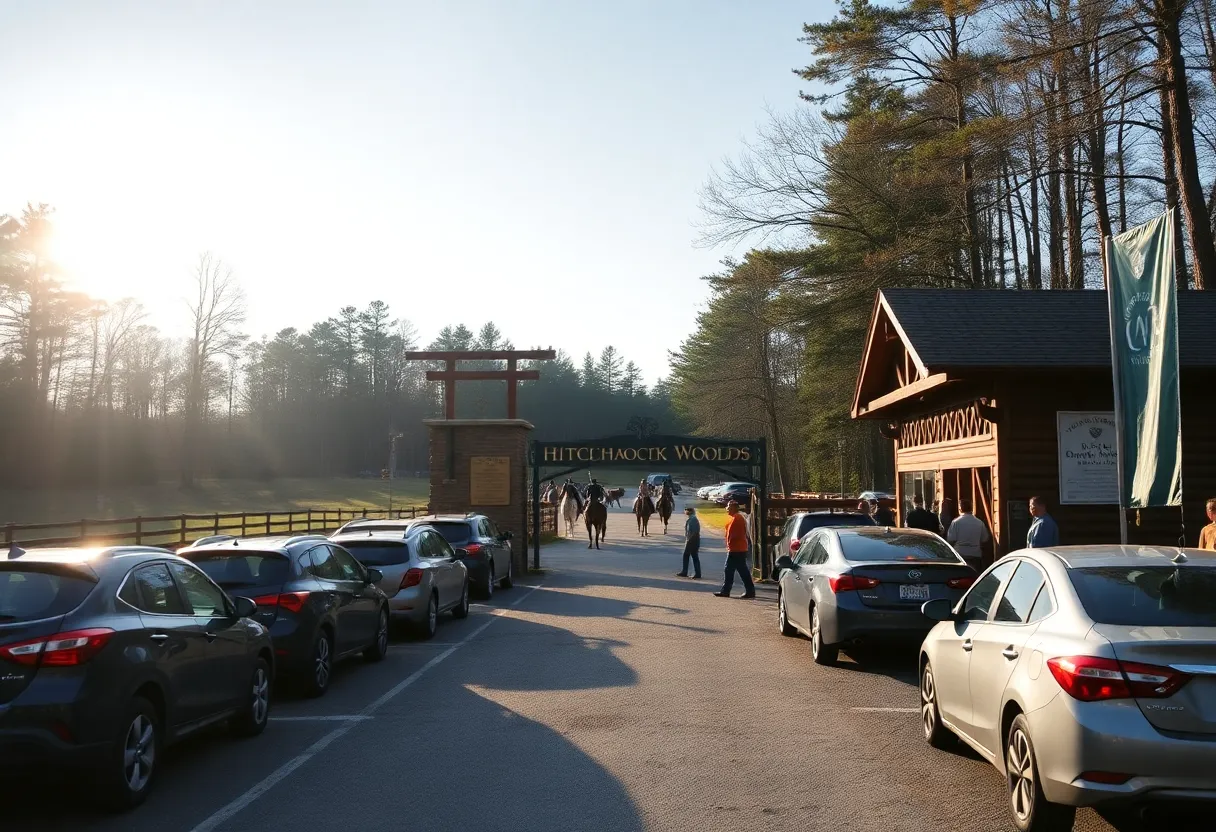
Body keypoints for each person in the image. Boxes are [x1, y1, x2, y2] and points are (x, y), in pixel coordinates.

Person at [714, 500, 755, 598]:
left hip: (736, 549)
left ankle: (726, 591)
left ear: (733, 508)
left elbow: (735, 535)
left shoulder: (737, 518)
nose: (726, 509)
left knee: (729, 570)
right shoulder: (735, 518)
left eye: (728, 507)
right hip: (737, 549)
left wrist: (730, 544)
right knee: (740, 570)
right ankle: (749, 591)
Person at [946, 499, 990, 569]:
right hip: (975, 554)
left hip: (960, 554)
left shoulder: (956, 522)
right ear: (971, 508)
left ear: (960, 509)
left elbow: (951, 539)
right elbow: (985, 539)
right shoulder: (979, 523)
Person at [676, 506, 702, 578]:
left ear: (690, 511)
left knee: (687, 555)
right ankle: (696, 573)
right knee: (693, 556)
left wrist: (689, 540)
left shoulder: (693, 519)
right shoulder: (691, 519)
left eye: (686, 510)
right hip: (692, 540)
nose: (685, 511)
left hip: (692, 541)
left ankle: (686, 572)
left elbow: (695, 532)